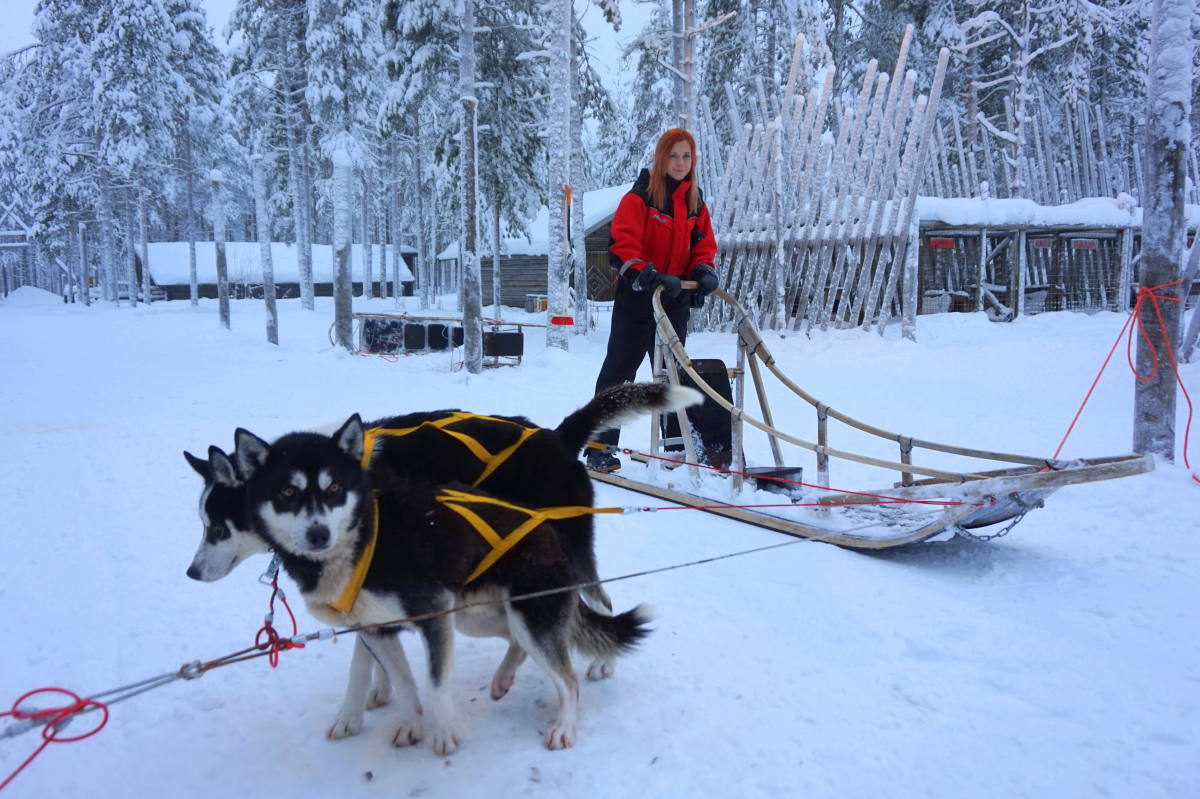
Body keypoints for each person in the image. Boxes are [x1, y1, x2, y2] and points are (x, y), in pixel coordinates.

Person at [586, 128, 719, 472]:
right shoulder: (641, 197)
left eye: (686, 156)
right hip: (638, 298)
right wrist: (647, 273)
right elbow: (623, 245)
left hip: (673, 300)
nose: (679, 163)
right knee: (619, 373)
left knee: (672, 374)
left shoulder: (695, 202)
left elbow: (703, 244)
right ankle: (600, 446)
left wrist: (703, 270)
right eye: (673, 155)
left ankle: (675, 445)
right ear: (661, 158)